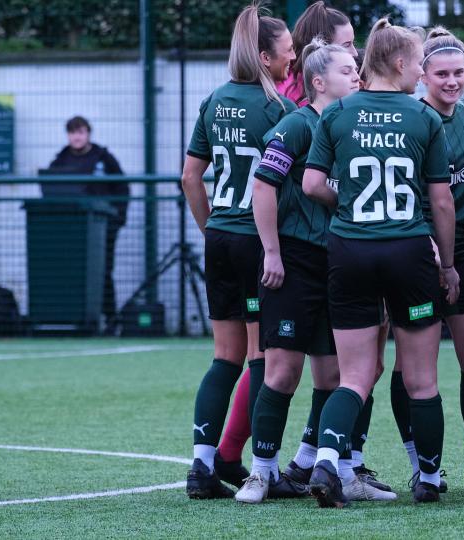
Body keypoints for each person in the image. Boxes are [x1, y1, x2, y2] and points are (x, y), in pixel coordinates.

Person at [301, 17, 458, 507]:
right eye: (417, 64)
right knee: (422, 379)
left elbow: (310, 184)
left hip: (350, 250)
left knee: (353, 377)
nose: (421, 73)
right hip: (408, 251)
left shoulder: (337, 113)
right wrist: (448, 265)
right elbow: (443, 203)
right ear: (398, 63)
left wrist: (347, 204)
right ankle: (428, 478)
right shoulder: (425, 117)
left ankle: (327, 462)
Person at [233, 40, 392, 504]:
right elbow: (263, 186)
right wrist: (272, 252)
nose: (358, 76)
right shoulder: (297, 124)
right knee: (282, 371)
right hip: (297, 259)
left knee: (336, 376)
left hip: (344, 260)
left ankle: (337, 470)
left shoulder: (355, 127)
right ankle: (261, 472)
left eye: (358, 69)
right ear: (318, 82)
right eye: (348, 69)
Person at [181, 2, 295, 499]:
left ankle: (202, 467)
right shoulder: (278, 110)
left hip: (221, 237)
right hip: (255, 240)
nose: (293, 59)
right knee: (260, 355)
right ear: (266, 57)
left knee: (222, 357)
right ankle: (259, 466)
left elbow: (189, 176)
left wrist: (210, 229)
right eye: (288, 52)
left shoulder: (214, 100)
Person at [383, 26, 464, 494]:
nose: (452, 81)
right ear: (422, 75)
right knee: (410, 368)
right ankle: (421, 464)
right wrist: (427, 243)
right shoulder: (412, 117)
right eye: (442, 74)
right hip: (417, 254)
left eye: (459, 73)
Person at [46, 116, 128, 330]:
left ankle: (109, 319)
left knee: (103, 271)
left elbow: (122, 187)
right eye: (72, 132)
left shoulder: (104, 158)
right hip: (71, 229)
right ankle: (74, 319)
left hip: (102, 227)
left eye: (80, 132)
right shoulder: (60, 160)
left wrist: (117, 218)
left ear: (88, 134)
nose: (77, 137)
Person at [278, 1, 357, 106]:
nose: (355, 53)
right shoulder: (293, 99)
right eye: (346, 45)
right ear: (320, 46)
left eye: (353, 43)